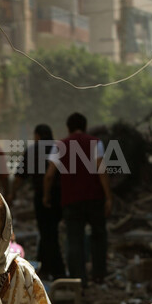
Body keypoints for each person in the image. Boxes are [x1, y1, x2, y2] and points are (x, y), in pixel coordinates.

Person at [42, 112, 113, 290]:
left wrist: (46, 195)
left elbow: (50, 175)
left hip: (71, 199)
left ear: (68, 127)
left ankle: (78, 279)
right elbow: (101, 170)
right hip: (95, 197)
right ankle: (99, 275)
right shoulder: (95, 142)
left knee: (74, 239)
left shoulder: (60, 145)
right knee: (99, 235)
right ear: (85, 125)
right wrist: (108, 197)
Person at [10, 123, 66, 281]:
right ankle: (47, 267)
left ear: (37, 136)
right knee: (50, 231)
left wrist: (12, 193)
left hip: (43, 195)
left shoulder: (32, 151)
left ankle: (57, 270)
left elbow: (20, 176)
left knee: (47, 232)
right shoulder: (59, 149)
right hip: (59, 195)